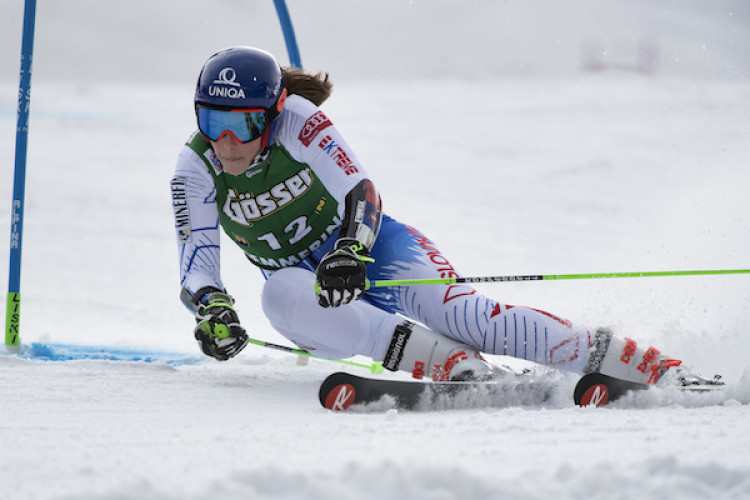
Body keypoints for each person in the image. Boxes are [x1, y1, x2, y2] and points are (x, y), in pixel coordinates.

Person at [171, 46, 718, 388]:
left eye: (241, 125)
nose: (225, 140)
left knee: (469, 317)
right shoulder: (196, 165)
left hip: (372, 250)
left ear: (270, 114)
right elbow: (196, 263)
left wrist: (352, 249)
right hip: (317, 299)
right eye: (211, 119)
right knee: (278, 297)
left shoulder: (298, 119)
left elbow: (361, 190)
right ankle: (448, 366)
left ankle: (637, 361)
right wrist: (213, 308)